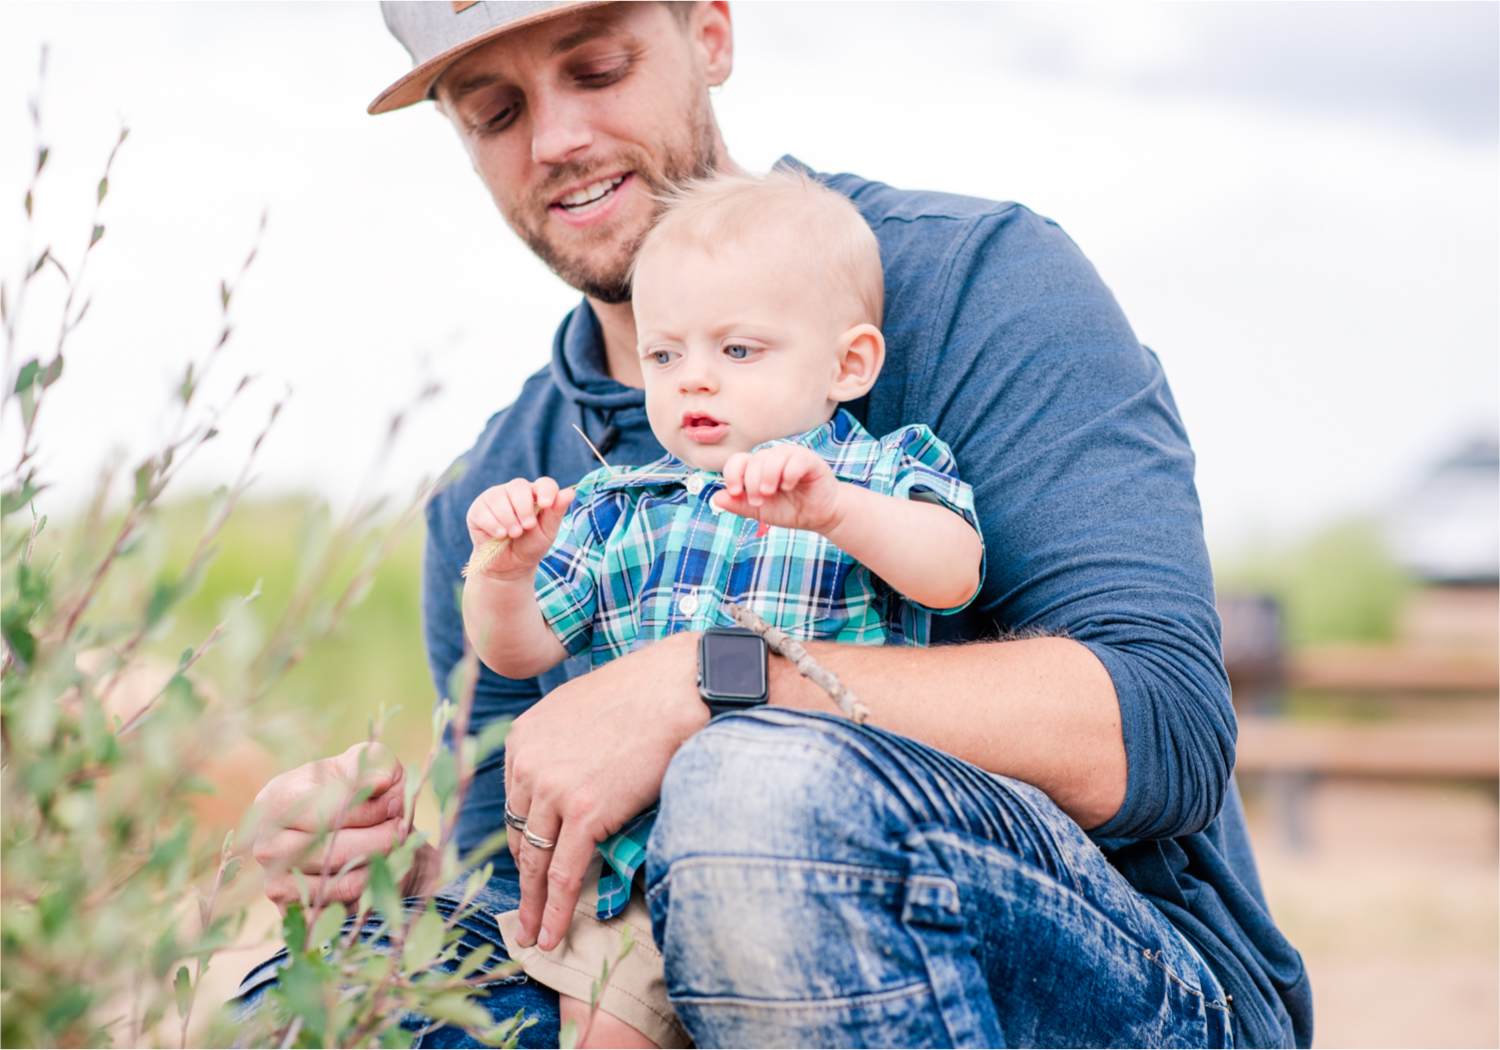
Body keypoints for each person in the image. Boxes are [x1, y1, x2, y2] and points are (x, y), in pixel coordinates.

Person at [247, 3, 1313, 1047]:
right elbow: (523, 880)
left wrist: (711, 681)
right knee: (315, 1001)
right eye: (495, 110)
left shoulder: (979, 281)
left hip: (1126, 982)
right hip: (645, 971)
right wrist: (394, 876)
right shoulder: (498, 492)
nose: (558, 137)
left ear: (710, 34)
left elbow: (1163, 731)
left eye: (600, 68)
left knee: (753, 789)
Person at [462, 169, 985, 1047]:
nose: (693, 381)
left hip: (816, 855)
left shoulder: (876, 474)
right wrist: (505, 575)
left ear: (848, 364)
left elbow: (954, 574)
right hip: (628, 878)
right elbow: (518, 654)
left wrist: (836, 513)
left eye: (737, 351)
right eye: (666, 356)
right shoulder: (615, 507)